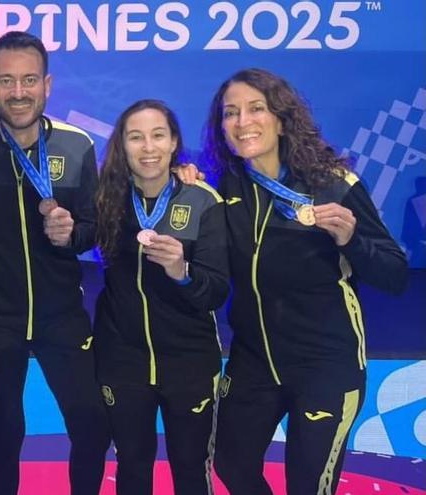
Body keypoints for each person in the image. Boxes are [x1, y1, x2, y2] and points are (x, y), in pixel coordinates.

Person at [202, 68, 408, 494]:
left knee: (309, 485)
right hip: (253, 361)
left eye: (256, 109)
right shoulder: (228, 185)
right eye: (231, 113)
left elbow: (394, 273)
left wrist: (351, 240)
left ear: (281, 117)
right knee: (229, 462)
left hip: (325, 366)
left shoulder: (332, 184)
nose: (242, 122)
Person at [0, 31, 110, 494]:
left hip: (62, 317)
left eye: (29, 80)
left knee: (91, 428)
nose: (19, 92)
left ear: (47, 85)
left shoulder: (76, 144)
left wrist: (73, 236)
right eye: (7, 81)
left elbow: (96, 226)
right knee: (4, 437)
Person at [93, 99, 229, 494]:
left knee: (190, 468)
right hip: (122, 362)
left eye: (158, 136)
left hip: (190, 363)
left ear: (173, 143)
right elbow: (72, 239)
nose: (148, 147)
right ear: (122, 144)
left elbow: (217, 291)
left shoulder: (203, 199)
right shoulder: (106, 198)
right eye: (136, 137)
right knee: (132, 467)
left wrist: (182, 273)